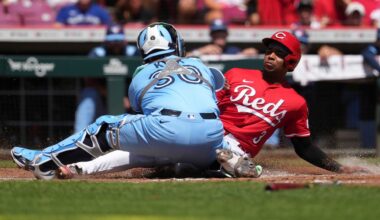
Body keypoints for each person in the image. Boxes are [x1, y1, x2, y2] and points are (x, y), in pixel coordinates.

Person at [17, 30, 370, 180]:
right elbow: (199, 103)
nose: (271, 57)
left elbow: (304, 146)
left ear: (292, 63)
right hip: (209, 134)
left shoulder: (294, 102)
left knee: (159, 157)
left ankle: (221, 164)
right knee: (152, 153)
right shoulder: (236, 73)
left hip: (232, 146)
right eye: (268, 51)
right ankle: (79, 170)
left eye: (280, 54)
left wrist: (338, 168)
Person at [10, 22, 227, 180]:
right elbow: (218, 85)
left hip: (166, 131)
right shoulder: (198, 64)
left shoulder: (141, 73)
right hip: (211, 138)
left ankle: (43, 160)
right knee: (202, 137)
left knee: (104, 127)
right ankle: (223, 162)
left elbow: (139, 109)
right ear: (176, 44)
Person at [187, 19, 258, 57]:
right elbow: (183, 58)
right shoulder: (204, 49)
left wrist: (249, 52)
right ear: (211, 35)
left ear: (226, 34)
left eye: (222, 32)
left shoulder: (232, 50)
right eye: (216, 33)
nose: (219, 36)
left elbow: (245, 54)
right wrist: (200, 51)